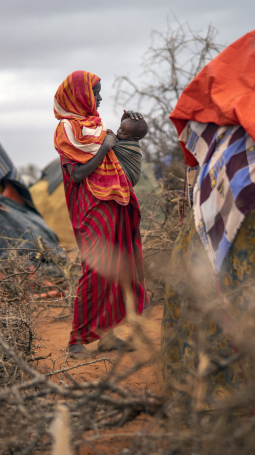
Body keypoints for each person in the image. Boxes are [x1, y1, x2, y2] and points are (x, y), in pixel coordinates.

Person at [53, 70, 149, 357]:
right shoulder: (67, 129)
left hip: (113, 205)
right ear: (81, 95)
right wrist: (104, 147)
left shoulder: (97, 126)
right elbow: (79, 174)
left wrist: (128, 128)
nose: (100, 98)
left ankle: (107, 336)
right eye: (95, 93)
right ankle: (76, 340)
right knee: (95, 270)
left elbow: (120, 161)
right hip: (90, 208)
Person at [113, 116, 148, 187]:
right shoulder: (124, 139)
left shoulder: (131, 148)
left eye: (123, 133)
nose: (119, 131)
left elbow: (110, 144)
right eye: (120, 128)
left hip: (128, 177)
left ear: (134, 138)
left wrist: (110, 136)